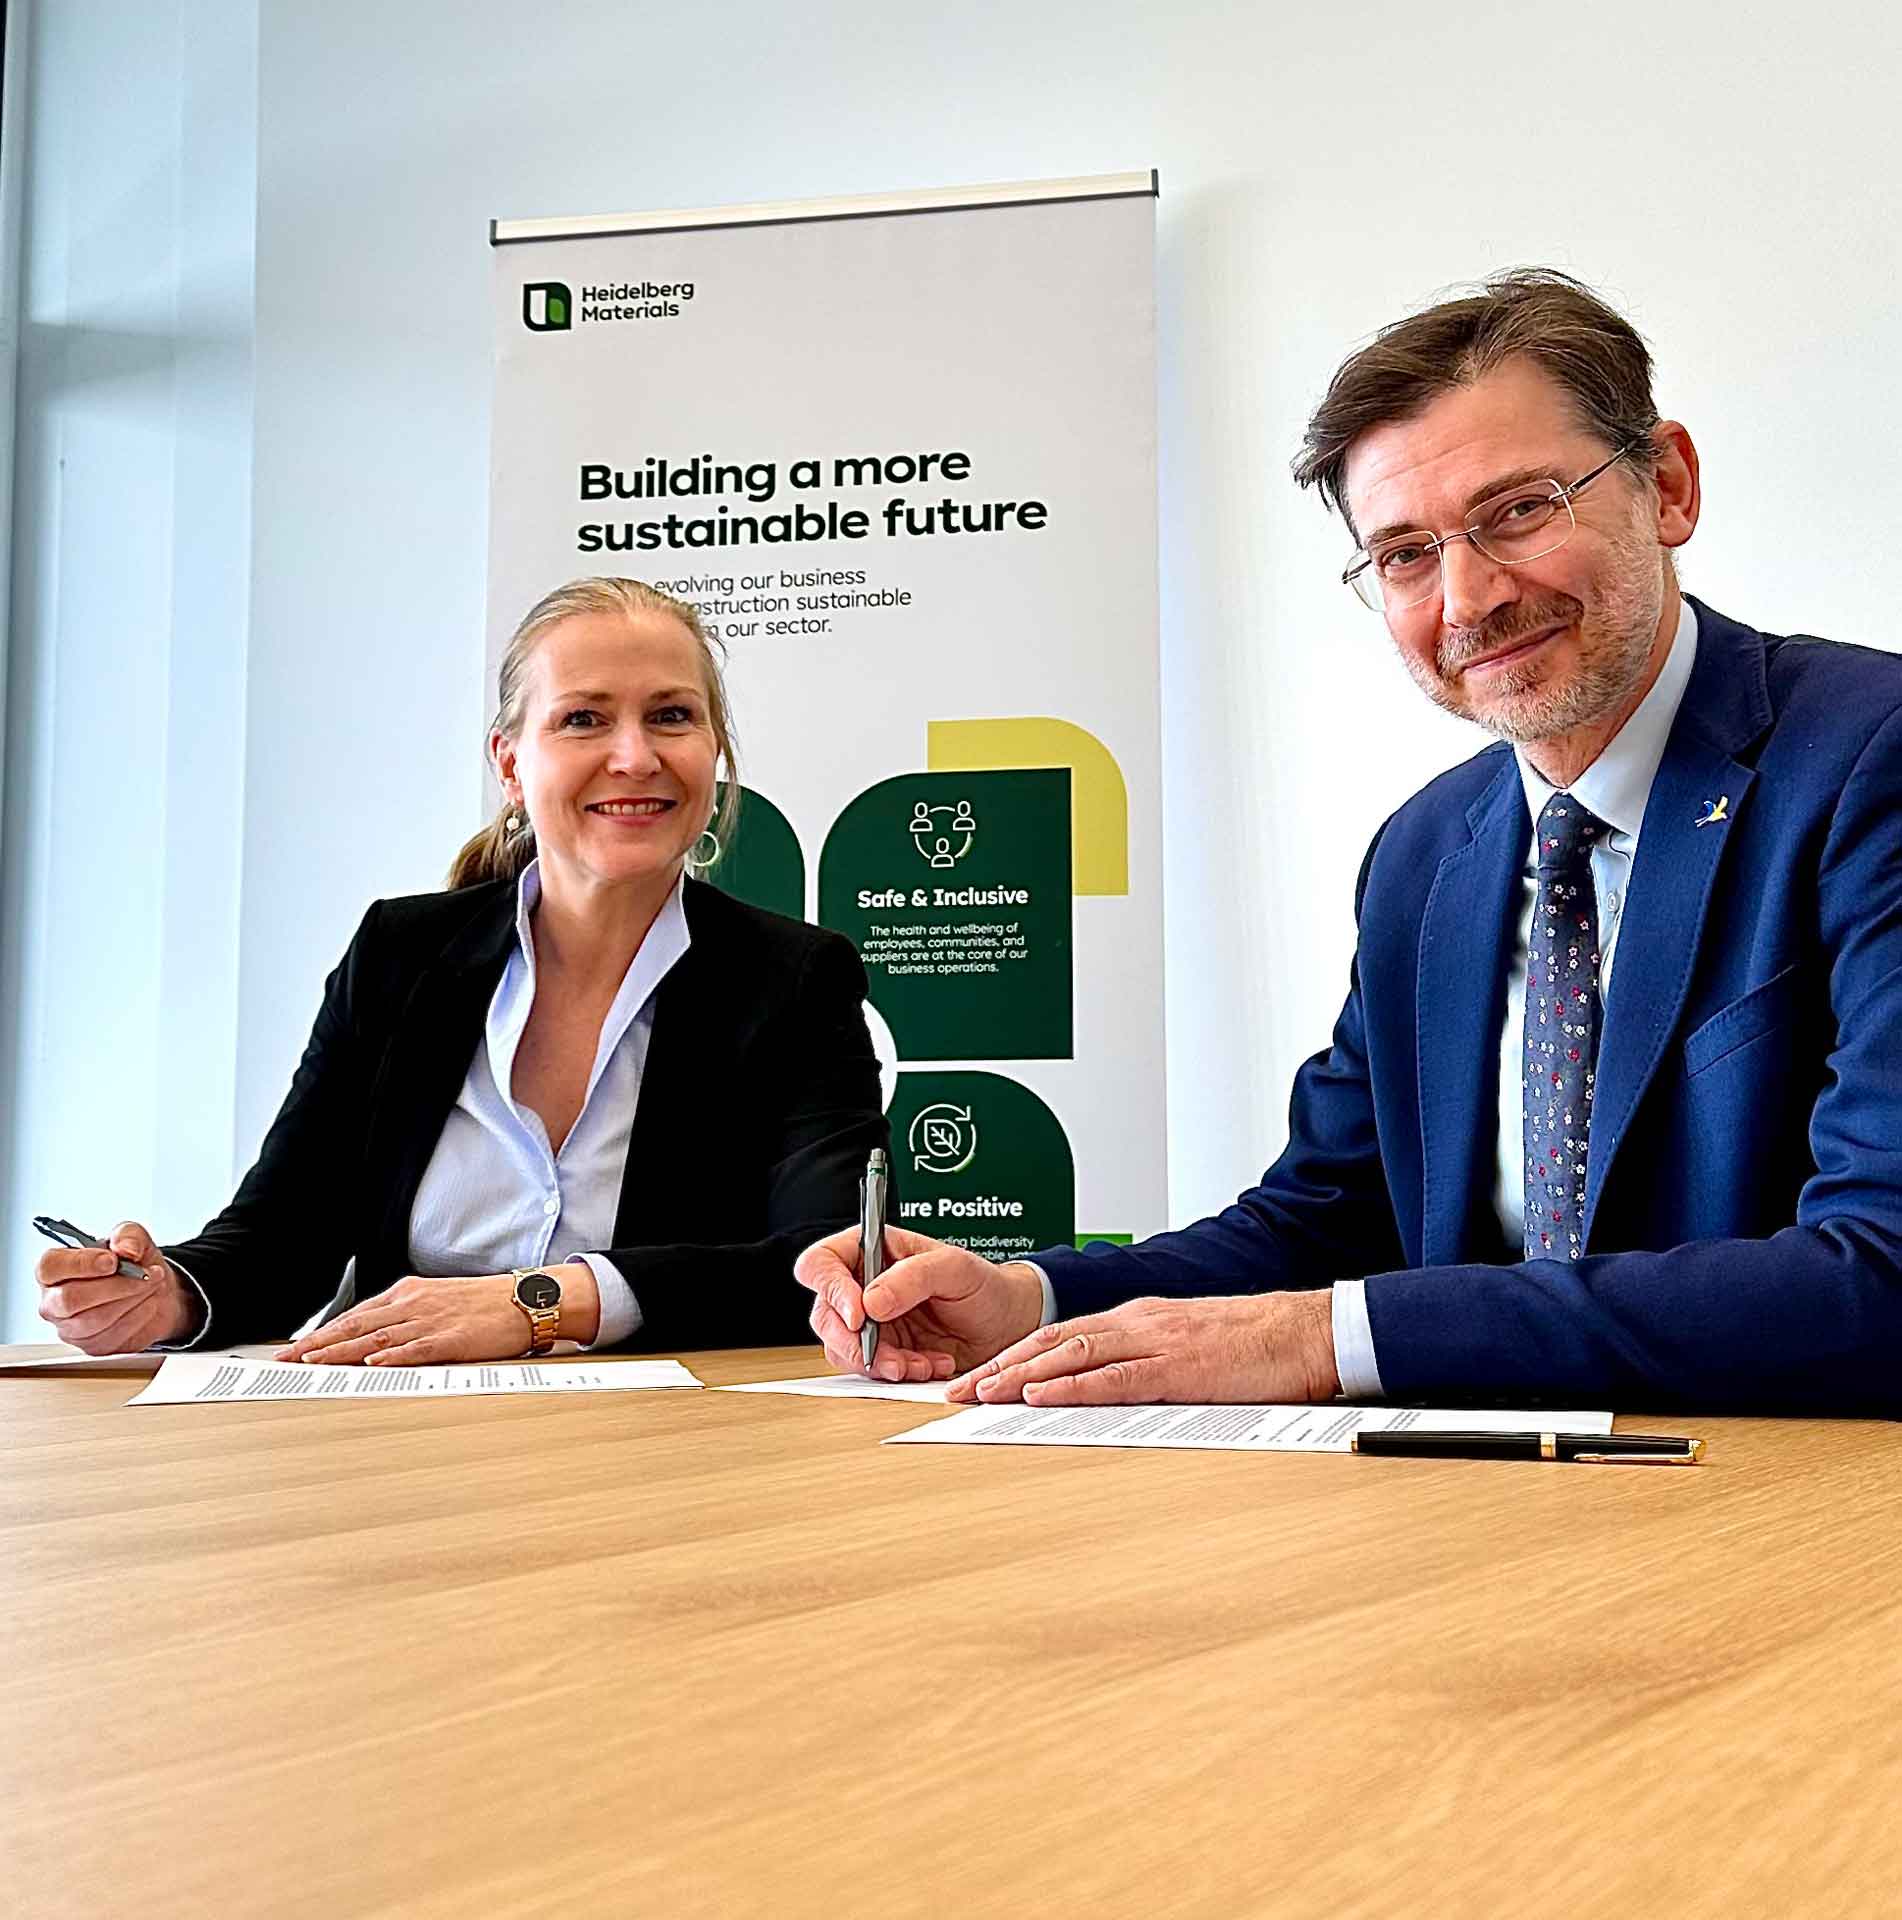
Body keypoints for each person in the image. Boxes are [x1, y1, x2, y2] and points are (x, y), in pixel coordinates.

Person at [798, 269, 1902, 1416]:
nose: (1469, 598)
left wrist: (1323, 1340)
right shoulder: (1428, 854)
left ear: (1667, 486)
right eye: (1406, 555)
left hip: (1782, 1512)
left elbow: (1882, 1273)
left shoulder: (1871, 760)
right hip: (1466, 1504)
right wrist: (1029, 1300)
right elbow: (1325, 1220)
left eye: (1519, 510)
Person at [38, 577, 886, 1361]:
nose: (635, 757)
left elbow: (827, 1267)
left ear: (713, 749)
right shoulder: (399, 955)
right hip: (395, 1440)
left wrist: (542, 1302)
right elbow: (282, 1238)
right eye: (584, 719)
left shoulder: (795, 978)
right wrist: (168, 1297)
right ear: (510, 764)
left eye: (670, 716)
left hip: (662, 1455)